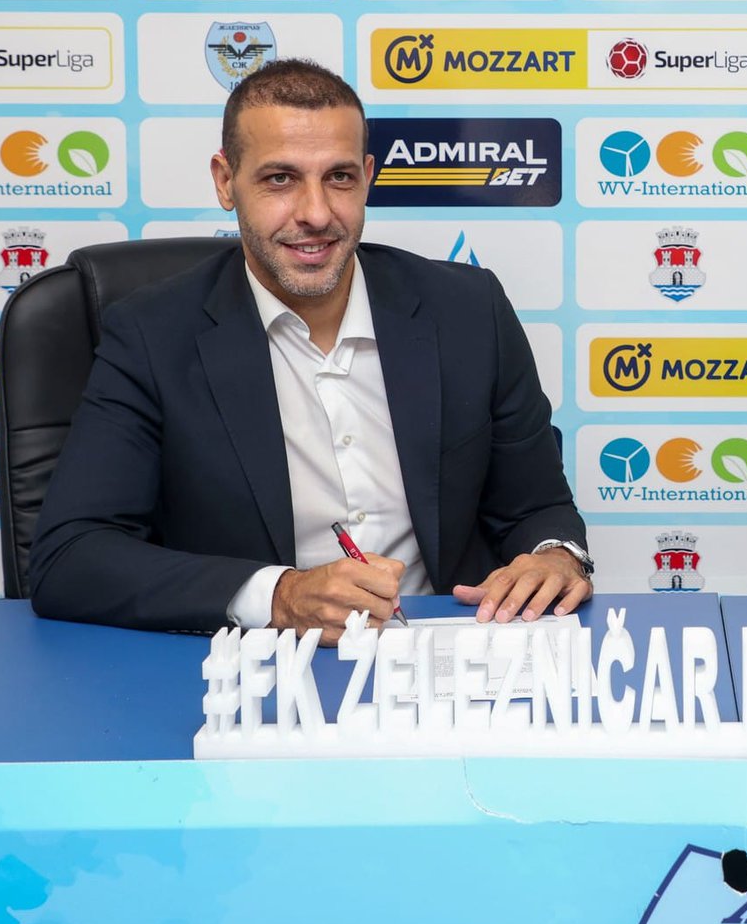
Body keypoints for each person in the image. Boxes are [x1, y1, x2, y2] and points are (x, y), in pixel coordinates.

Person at [29, 59, 590, 637]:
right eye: (280, 179)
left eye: (339, 177)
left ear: (367, 177)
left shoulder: (469, 310)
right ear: (225, 181)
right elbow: (70, 557)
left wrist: (555, 555)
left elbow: (537, 508)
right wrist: (279, 596)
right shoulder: (151, 334)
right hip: (258, 666)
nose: (316, 214)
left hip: (444, 655)